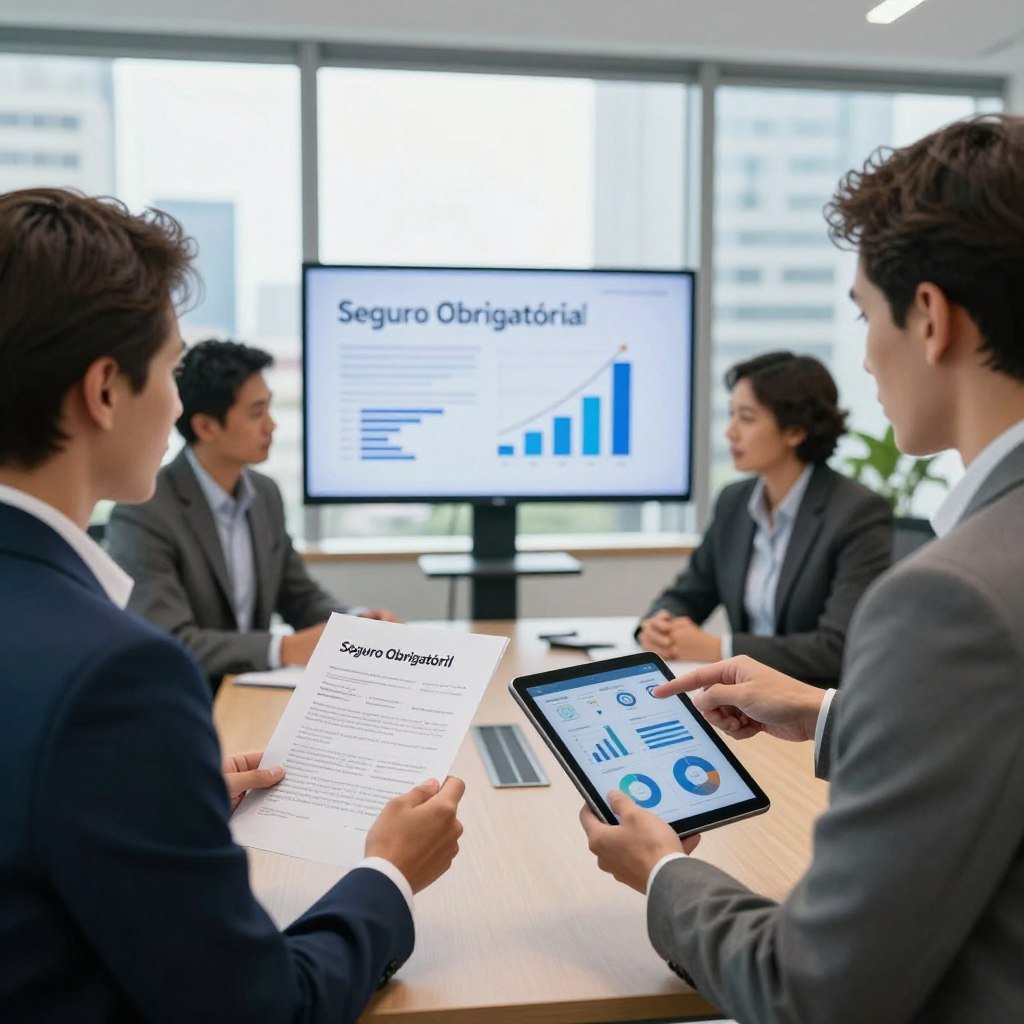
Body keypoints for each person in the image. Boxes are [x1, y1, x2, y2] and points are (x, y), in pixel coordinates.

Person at [582, 113, 1024, 1023]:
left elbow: (812, 990)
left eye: (867, 314)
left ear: (931, 318)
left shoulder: (952, 596)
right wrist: (826, 714)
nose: (865, 352)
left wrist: (663, 871)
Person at [0, 187, 464, 1022]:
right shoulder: (118, 676)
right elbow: (257, 1007)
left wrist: (156, 802)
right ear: (106, 391)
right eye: (168, 371)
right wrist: (386, 873)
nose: (176, 406)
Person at [106, 338, 400, 686]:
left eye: (269, 409)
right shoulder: (146, 510)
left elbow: (299, 598)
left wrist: (357, 621)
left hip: (250, 696)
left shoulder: (265, 494)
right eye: (256, 413)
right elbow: (169, 639)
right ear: (205, 427)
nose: (272, 426)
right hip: (186, 700)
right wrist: (284, 648)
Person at [638, 351, 892, 686]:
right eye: (731, 415)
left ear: (795, 431)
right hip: (745, 700)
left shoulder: (856, 513)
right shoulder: (734, 501)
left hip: (810, 708)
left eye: (746, 417)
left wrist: (720, 648)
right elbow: (689, 592)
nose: (730, 432)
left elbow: (836, 647)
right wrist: (657, 626)